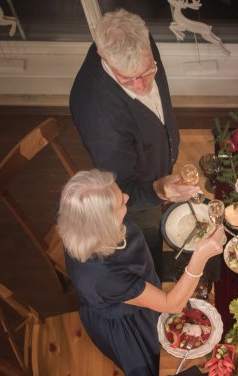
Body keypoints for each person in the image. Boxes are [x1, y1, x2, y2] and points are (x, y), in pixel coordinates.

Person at [57, 169, 224, 376]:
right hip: (128, 322)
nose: (126, 197)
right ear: (104, 224)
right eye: (120, 203)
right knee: (157, 369)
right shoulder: (103, 275)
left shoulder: (85, 221)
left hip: (137, 287)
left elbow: (127, 198)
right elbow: (171, 304)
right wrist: (199, 258)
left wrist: (161, 190)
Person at [69, 8, 197, 265]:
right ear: (102, 55)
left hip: (157, 167)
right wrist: (159, 191)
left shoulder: (142, 43)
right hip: (137, 199)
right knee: (149, 248)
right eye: (128, 80)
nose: (142, 87)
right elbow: (123, 188)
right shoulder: (98, 114)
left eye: (148, 71)